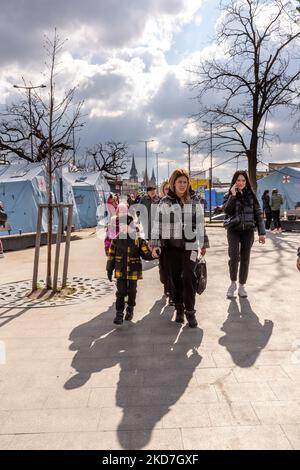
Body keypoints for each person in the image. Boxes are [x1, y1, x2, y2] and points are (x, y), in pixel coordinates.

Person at [151, 168, 210, 328]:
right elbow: (157, 225)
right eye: (179, 182)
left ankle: (190, 311)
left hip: (190, 246)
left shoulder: (194, 200)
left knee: (189, 277)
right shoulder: (165, 202)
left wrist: (203, 242)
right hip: (170, 247)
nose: (182, 185)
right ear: (173, 183)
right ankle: (179, 308)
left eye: (185, 182)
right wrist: (154, 245)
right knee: (175, 278)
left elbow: (199, 223)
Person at [106, 214, 158, 325]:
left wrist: (153, 255)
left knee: (132, 291)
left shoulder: (138, 240)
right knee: (121, 292)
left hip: (133, 271)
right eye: (120, 225)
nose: (122, 227)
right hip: (120, 271)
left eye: (125, 225)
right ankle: (119, 313)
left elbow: (145, 254)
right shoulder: (116, 240)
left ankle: (130, 307)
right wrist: (109, 270)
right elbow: (111, 256)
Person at [223, 170, 266, 299]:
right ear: (234, 182)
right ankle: (232, 283)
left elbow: (258, 214)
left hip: (248, 231)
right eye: (238, 180)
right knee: (234, 257)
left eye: (243, 180)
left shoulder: (251, 196)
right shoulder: (229, 195)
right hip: (233, 230)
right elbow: (226, 210)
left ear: (246, 182)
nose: (240, 183)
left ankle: (242, 285)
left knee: (245, 259)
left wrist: (262, 233)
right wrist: (233, 195)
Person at [158, 181, 174, 304]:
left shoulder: (174, 202)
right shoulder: (160, 202)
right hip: (161, 240)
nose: (168, 191)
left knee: (171, 268)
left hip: (173, 241)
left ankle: (171, 292)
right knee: (163, 269)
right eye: (166, 189)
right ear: (162, 190)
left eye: (169, 189)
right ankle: (165, 285)